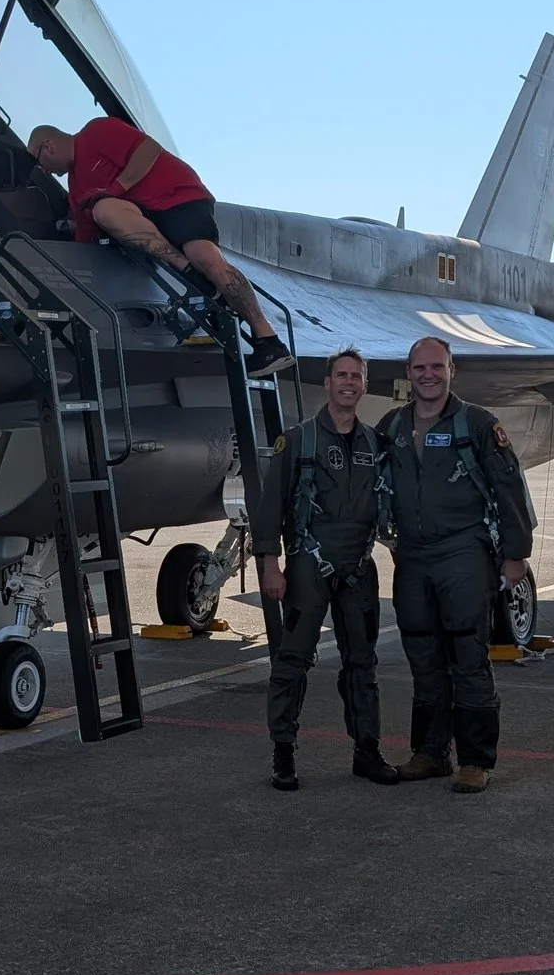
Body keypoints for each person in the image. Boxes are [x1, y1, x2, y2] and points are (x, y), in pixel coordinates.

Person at [375, 336, 535, 795]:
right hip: (413, 557)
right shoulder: (393, 425)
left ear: (451, 371)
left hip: (464, 554)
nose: (428, 375)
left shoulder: (478, 424)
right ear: (409, 373)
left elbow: (509, 489)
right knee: (423, 659)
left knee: (468, 659)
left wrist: (515, 554)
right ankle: (429, 753)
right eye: (419, 367)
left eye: (437, 367)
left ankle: (475, 760)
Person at [27, 118, 290, 376]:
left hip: (177, 197)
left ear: (47, 147)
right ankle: (189, 273)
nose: (45, 171)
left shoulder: (96, 131)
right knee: (104, 210)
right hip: (142, 217)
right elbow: (86, 235)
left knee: (206, 256)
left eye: (40, 162)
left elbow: (147, 150)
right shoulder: (77, 187)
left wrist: (116, 189)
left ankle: (267, 339)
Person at [256, 348, 399, 792]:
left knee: (362, 663)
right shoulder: (298, 441)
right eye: (342, 375)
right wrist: (270, 565)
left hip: (358, 565)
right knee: (293, 660)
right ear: (328, 383)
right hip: (307, 564)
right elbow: (270, 506)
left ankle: (367, 750)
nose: (349, 383)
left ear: (363, 384)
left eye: (357, 376)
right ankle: (283, 752)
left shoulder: (376, 442)